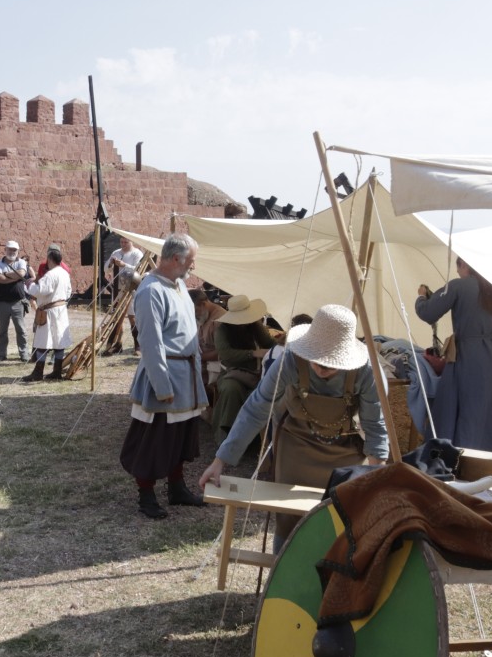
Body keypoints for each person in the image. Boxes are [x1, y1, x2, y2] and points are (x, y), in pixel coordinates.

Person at [198, 304, 389, 550]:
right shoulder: (290, 360)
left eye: (330, 363)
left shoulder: (367, 372)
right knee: (288, 521)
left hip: (343, 451)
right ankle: (282, 575)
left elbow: (375, 427)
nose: (321, 367)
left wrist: (375, 479)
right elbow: (257, 408)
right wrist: (220, 461)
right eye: (317, 359)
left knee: (341, 520)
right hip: (295, 445)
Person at [118, 233, 208, 519]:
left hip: (186, 376)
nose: (193, 266)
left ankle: (177, 488)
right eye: (191, 261)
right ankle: (146, 496)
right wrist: (162, 385)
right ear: (175, 259)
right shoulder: (150, 290)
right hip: (166, 375)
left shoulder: (179, 284)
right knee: (154, 439)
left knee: (179, 437)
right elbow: (151, 343)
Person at [416, 257, 492, 453]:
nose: (458, 272)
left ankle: (460, 458)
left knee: (468, 409)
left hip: (471, 357)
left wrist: (421, 297)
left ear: (465, 265)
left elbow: (428, 313)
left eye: (458, 267)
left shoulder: (458, 286)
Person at [210, 295, 277, 447]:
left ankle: (259, 439)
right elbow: (225, 354)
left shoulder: (255, 325)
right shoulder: (222, 330)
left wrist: (281, 346)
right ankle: (226, 437)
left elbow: (269, 343)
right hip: (231, 373)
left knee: (268, 391)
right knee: (230, 389)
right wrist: (252, 353)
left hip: (256, 373)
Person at [23, 248, 72, 382]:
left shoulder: (50, 275)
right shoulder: (64, 274)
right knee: (58, 341)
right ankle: (57, 370)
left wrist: (29, 285)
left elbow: (40, 291)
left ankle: (39, 372)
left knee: (43, 341)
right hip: (60, 310)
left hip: (49, 311)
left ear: (50, 260)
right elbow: (68, 292)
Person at [0, 240, 34, 362]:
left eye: (14, 250)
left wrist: (5, 275)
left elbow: (21, 273)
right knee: (2, 330)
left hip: (17, 302)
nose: (12, 252)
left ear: (18, 251)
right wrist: (14, 278)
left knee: (21, 329)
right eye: (10, 249)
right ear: (5, 250)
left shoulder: (21, 262)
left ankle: (24, 353)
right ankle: (1, 354)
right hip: (2, 302)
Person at [104, 236, 144, 353]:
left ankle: (137, 345)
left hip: (132, 288)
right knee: (117, 316)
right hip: (118, 288)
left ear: (131, 241)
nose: (123, 244)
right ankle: (117, 344)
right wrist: (111, 263)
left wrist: (123, 265)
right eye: (121, 242)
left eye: (126, 242)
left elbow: (138, 269)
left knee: (132, 316)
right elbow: (106, 269)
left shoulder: (137, 253)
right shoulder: (116, 252)